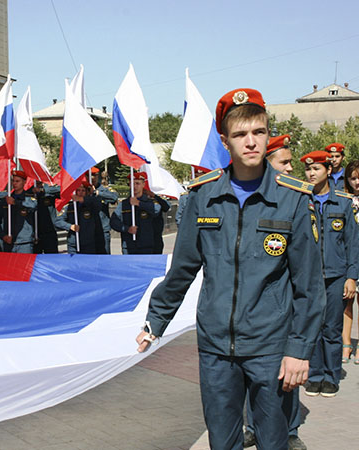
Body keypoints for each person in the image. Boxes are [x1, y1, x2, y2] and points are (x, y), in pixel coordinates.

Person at [136, 88, 326, 450]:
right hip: (216, 349)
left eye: (258, 132)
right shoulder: (202, 196)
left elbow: (310, 285)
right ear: (225, 141)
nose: (251, 142)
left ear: (268, 135)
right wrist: (155, 322)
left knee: (273, 441)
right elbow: (183, 269)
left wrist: (299, 350)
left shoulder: (293, 198)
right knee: (222, 443)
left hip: (271, 347)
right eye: (240, 135)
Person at [243, 133, 305, 450]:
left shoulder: (294, 199)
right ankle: (254, 425)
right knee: (253, 377)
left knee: (286, 376)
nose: (291, 168)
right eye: (285, 162)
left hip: (286, 305)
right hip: (255, 312)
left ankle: (290, 430)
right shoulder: (249, 200)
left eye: (291, 162)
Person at [301, 150, 358, 398]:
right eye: (308, 169)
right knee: (312, 326)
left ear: (329, 170)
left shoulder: (343, 203)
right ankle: (314, 375)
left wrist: (351, 276)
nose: (311, 174)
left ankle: (331, 375)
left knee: (332, 328)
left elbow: (352, 243)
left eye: (316, 169)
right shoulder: (301, 201)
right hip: (308, 276)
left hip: (336, 275)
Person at [110, 172, 163, 254]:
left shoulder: (150, 202)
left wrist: (139, 203)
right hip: (129, 246)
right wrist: (127, 229)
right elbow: (114, 221)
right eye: (132, 183)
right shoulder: (124, 204)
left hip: (147, 246)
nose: (134, 186)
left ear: (143, 184)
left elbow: (156, 210)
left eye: (137, 183)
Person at [0, 170, 37, 253]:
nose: (14, 183)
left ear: (24, 182)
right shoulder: (6, 199)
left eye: (17, 181)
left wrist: (15, 202)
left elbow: (33, 206)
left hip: (24, 243)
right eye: (13, 181)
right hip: (9, 241)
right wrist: (3, 236)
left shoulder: (28, 197)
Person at [55, 181, 102, 254]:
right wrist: (70, 226)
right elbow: (58, 221)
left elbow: (97, 203)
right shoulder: (70, 206)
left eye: (83, 190)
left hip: (88, 243)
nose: (80, 193)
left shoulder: (91, 205)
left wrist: (82, 200)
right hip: (73, 243)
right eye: (78, 190)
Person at [342, 160, 359, 364]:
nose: (356, 181)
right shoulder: (344, 200)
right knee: (347, 303)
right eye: (353, 178)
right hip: (348, 257)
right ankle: (346, 344)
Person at [91, 167, 118, 254]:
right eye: (89, 176)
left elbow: (114, 197)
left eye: (94, 176)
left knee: (104, 255)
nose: (92, 178)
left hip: (103, 228)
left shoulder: (104, 189)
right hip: (89, 230)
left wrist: (98, 193)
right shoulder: (83, 190)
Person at [31, 181, 60, 254]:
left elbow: (61, 190)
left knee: (52, 258)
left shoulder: (49, 187)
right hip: (36, 232)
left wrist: (43, 190)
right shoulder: (31, 189)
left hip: (49, 231)